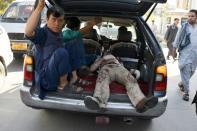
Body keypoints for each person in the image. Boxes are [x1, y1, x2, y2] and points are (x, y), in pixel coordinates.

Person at [25, 0, 69, 99]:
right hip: (47, 79)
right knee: (62, 52)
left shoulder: (59, 34)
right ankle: (63, 84)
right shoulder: (43, 34)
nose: (57, 23)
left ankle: (74, 76)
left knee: (71, 46)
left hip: (56, 73)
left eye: (60, 20)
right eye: (53, 19)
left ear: (63, 22)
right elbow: (28, 32)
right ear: (47, 19)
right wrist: (40, 7)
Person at [84, 54, 158, 113]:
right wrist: (101, 59)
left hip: (119, 68)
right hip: (106, 68)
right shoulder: (99, 59)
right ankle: (99, 102)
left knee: (131, 80)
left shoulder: (117, 60)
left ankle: (141, 104)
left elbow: (127, 68)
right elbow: (91, 69)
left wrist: (134, 71)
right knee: (102, 80)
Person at [62, 17, 102, 84]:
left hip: (76, 59)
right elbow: (74, 35)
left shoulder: (71, 34)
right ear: (76, 27)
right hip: (69, 62)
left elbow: (76, 34)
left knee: (95, 56)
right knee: (75, 40)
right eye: (79, 27)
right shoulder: (65, 33)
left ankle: (83, 68)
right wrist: (92, 24)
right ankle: (78, 72)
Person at [172, 9, 197, 101]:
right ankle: (186, 93)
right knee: (185, 71)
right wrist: (174, 51)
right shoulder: (184, 27)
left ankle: (182, 83)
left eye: (192, 16)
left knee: (192, 71)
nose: (190, 18)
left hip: (195, 55)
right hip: (185, 54)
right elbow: (177, 39)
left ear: (196, 17)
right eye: (189, 16)